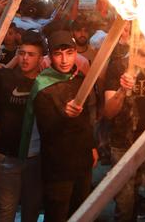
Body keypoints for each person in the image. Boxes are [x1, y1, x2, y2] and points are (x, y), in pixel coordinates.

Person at [23, 30, 97, 221]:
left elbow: (88, 120)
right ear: (50, 56)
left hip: (83, 160)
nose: (64, 60)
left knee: (81, 210)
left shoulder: (81, 80)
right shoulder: (43, 85)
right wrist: (64, 114)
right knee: (57, 213)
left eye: (69, 53)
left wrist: (93, 146)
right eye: (58, 54)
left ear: (75, 54)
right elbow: (46, 128)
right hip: (57, 165)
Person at [103, 36, 145, 221]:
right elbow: (108, 112)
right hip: (123, 144)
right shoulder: (118, 66)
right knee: (125, 207)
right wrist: (122, 90)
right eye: (143, 35)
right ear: (133, 40)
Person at [0, 31, 45, 222]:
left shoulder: (45, 83)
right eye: (22, 53)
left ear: (41, 58)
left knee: (31, 210)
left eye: (31, 54)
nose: (25, 58)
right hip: (6, 156)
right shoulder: (4, 78)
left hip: (35, 157)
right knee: (5, 211)